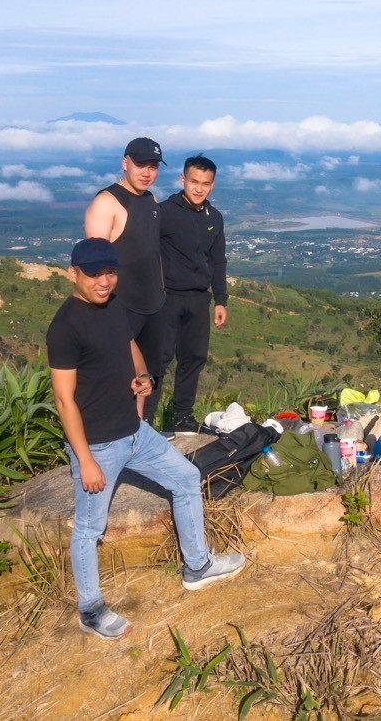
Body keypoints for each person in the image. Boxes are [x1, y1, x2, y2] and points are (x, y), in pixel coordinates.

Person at [47, 237, 244, 640]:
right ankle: (90, 609)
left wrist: (143, 378)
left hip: (135, 433)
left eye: (109, 272)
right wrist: (85, 460)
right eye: (93, 274)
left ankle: (198, 566)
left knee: (186, 478)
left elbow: (129, 345)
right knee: (89, 528)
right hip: (99, 444)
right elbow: (64, 400)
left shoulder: (113, 305)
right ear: (73, 274)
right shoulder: (65, 327)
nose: (103, 281)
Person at [84, 137, 167, 424]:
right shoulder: (107, 202)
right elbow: (93, 263)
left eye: (153, 167)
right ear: (125, 163)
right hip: (121, 306)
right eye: (140, 165)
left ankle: (144, 431)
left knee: (151, 376)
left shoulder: (151, 200)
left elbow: (153, 252)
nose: (147, 173)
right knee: (119, 375)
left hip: (153, 304)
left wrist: (162, 294)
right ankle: (115, 433)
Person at [156, 155, 228, 433]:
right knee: (158, 360)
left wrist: (220, 300)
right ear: (182, 179)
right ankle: (145, 421)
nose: (199, 188)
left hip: (199, 298)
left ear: (213, 185)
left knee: (193, 358)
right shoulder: (164, 212)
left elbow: (218, 260)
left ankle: (182, 417)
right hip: (167, 297)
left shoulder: (214, 218)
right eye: (194, 181)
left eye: (205, 184)